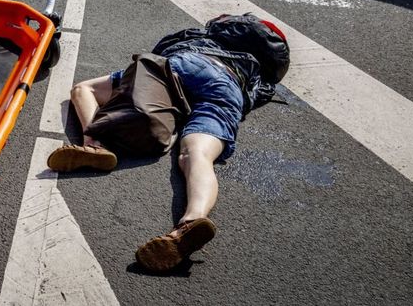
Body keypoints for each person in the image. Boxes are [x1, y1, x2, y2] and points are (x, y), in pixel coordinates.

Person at [46, 15, 290, 273]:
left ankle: (94, 143)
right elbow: (260, 92)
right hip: (228, 85)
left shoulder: (206, 34)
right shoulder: (257, 68)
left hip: (185, 63)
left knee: (85, 89)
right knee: (196, 154)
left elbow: (162, 48)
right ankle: (192, 221)